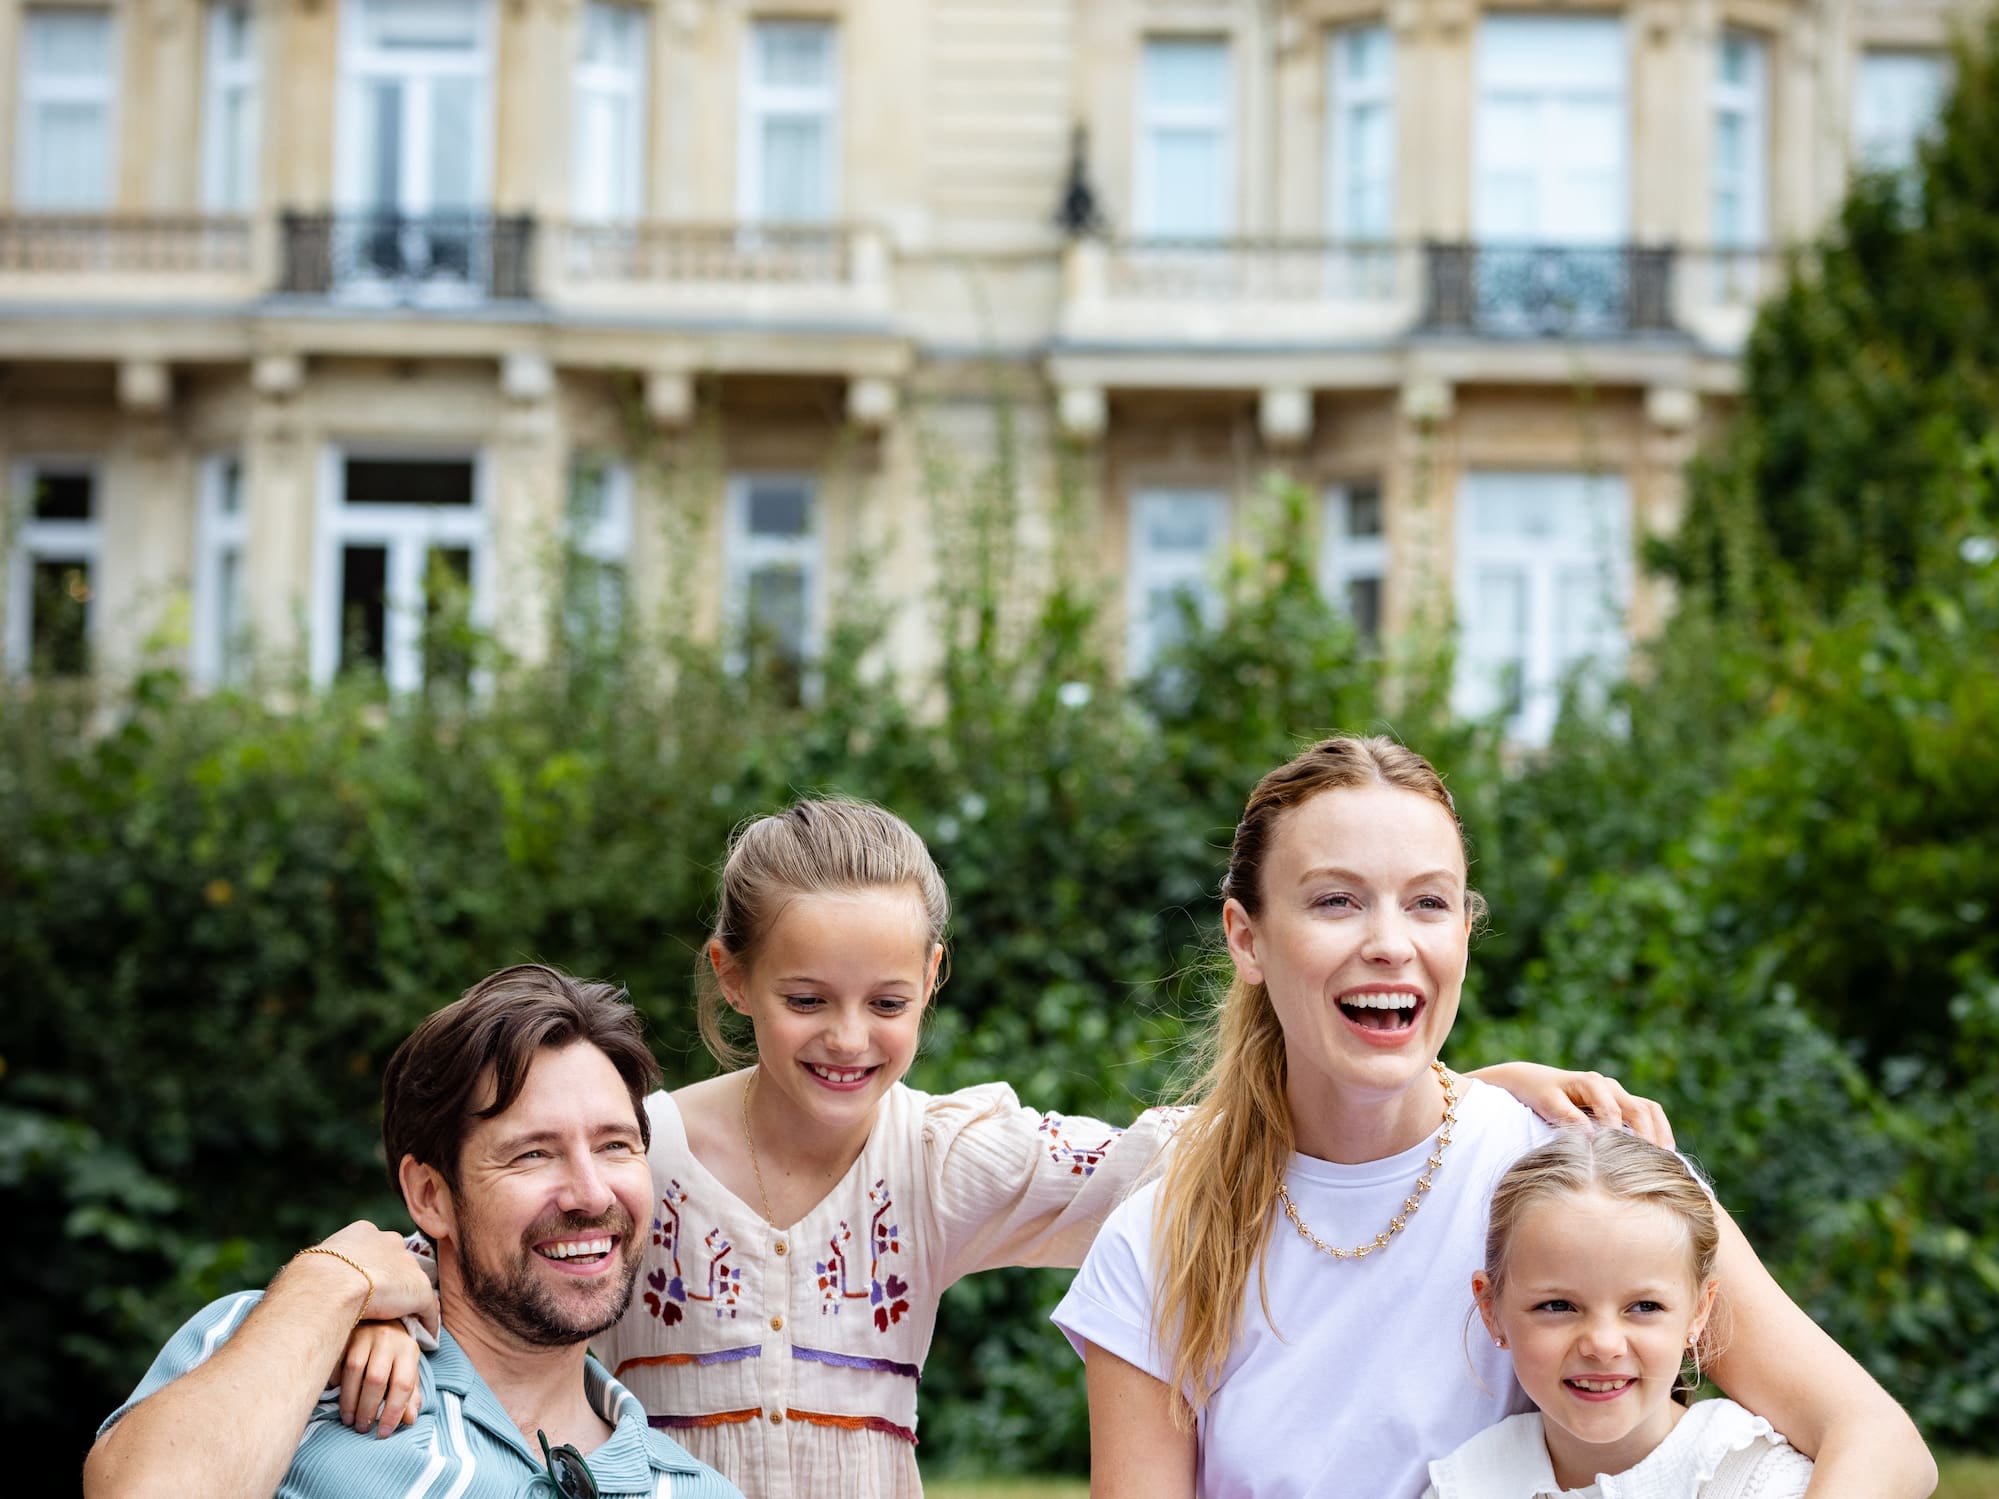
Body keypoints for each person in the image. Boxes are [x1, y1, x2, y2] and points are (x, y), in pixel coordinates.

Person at [345, 799, 1674, 1499]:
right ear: (730, 976)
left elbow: (1182, 1152)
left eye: (885, 1000)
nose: (847, 1037)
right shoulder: (631, 1152)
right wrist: (376, 1305)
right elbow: (489, 1251)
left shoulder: (943, 1159)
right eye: (805, 997)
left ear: (930, 978)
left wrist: (1444, 1091)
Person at [1053, 734, 1936, 1499]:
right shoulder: (1158, 1244)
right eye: (1335, 899)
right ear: (1246, 938)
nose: (1390, 941)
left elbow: (1879, 1444)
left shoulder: (1575, 1163)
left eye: (1428, 901)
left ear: (1466, 937)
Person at [81, 964, 741, 1499]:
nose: (591, 1193)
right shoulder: (291, 1355)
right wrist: (331, 1277)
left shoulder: (690, 1489)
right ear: (430, 1195)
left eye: (615, 1145)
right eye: (532, 1153)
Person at [1422, 1129, 1813, 1499]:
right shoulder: (1464, 1485)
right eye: (1558, 1306)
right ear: (1492, 1310)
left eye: (1645, 1307)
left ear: (1699, 1311)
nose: (1603, 1345)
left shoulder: (1753, 1478)